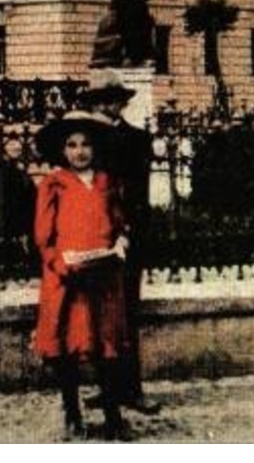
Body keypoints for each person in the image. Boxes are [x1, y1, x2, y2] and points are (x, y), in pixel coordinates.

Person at [33, 110, 131, 441]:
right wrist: (62, 266)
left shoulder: (106, 181)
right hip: (68, 280)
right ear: (62, 150)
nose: (79, 152)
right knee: (70, 348)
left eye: (86, 144)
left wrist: (120, 242)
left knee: (106, 347)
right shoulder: (54, 183)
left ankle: (113, 415)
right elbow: (43, 237)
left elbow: (119, 223)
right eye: (72, 145)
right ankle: (72, 412)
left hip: (103, 278)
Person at [82, 71, 162, 415]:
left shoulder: (137, 140)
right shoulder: (85, 142)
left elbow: (138, 195)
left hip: (127, 238)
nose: (104, 106)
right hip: (93, 239)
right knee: (98, 316)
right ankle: (107, 388)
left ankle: (132, 388)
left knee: (126, 314)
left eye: (110, 99)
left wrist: (127, 231)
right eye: (98, 100)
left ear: (122, 103)